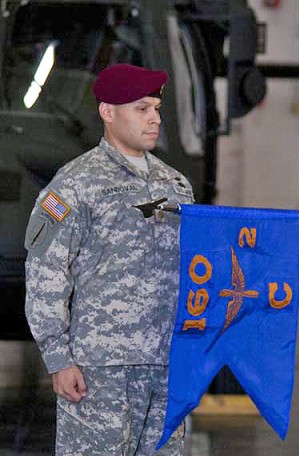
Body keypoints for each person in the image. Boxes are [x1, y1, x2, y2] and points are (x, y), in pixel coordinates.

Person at [24, 63, 194, 455]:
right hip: (98, 370)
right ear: (108, 111)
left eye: (156, 108)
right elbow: (45, 272)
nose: (154, 118)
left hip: (166, 369)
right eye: (141, 108)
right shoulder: (74, 185)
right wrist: (57, 358)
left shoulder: (176, 185)